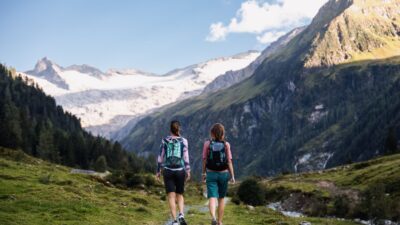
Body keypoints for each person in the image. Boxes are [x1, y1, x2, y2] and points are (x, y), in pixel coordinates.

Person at [156, 120, 190, 225]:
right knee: (180, 194)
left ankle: (174, 221)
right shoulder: (184, 141)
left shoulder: (164, 140)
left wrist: (158, 171)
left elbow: (160, 157)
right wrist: (188, 170)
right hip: (180, 171)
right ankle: (181, 214)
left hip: (168, 171)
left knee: (171, 196)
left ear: (170, 129)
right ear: (178, 129)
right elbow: (186, 157)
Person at [202, 123, 235, 225]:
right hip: (223, 174)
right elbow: (229, 161)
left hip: (211, 173)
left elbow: (204, 159)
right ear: (223, 134)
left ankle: (213, 218)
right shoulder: (226, 145)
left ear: (212, 133)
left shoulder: (207, 144)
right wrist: (232, 176)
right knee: (221, 199)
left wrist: (203, 173)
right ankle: (220, 222)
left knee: (212, 197)